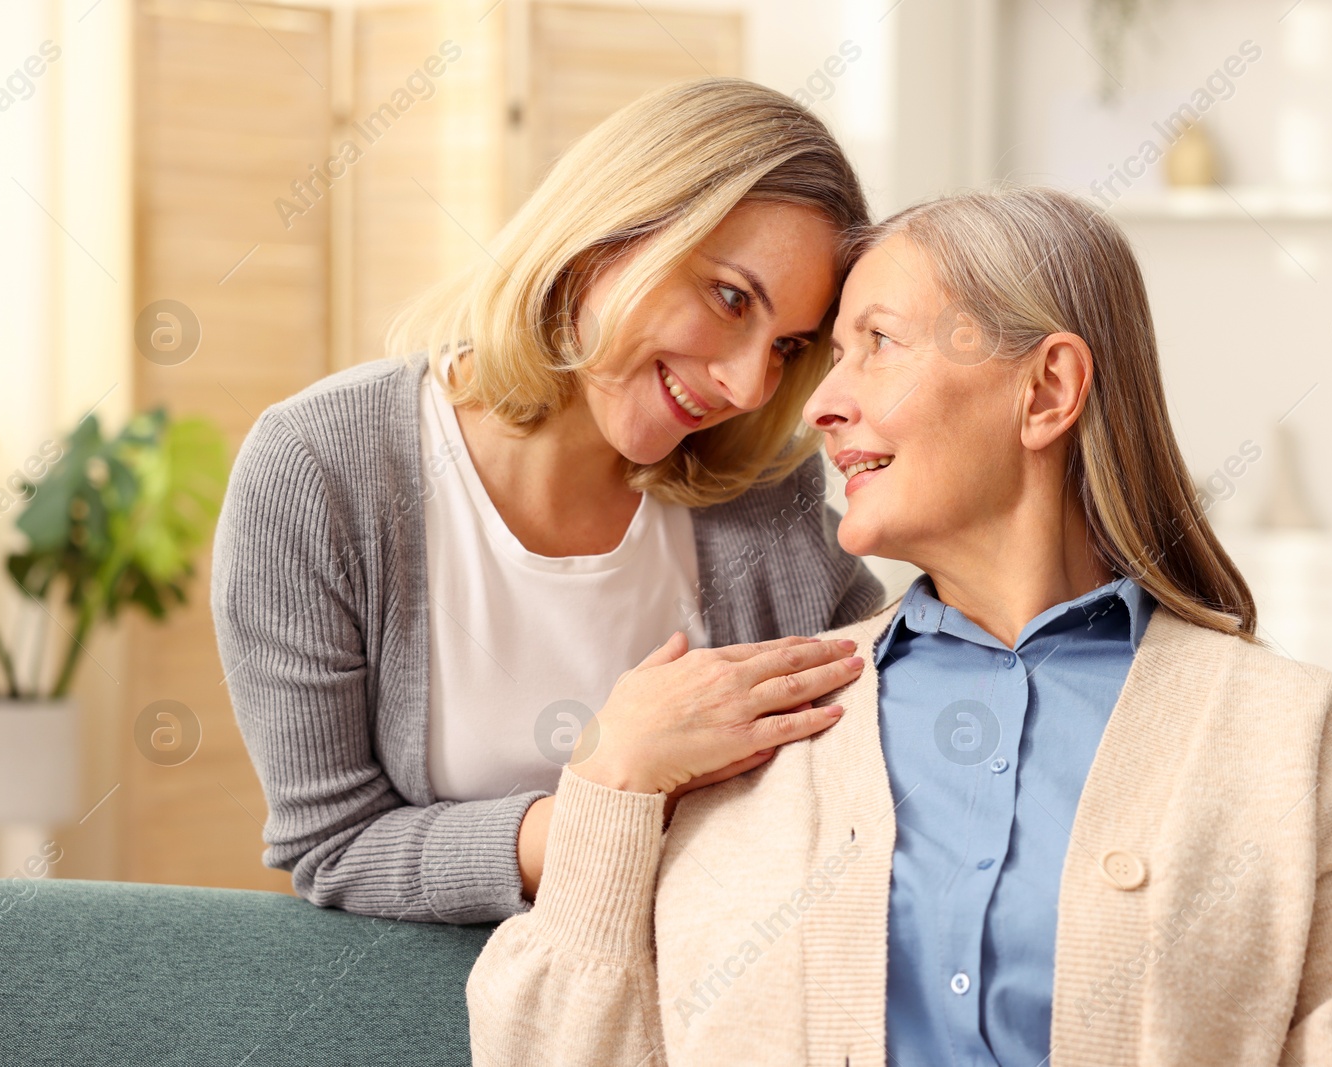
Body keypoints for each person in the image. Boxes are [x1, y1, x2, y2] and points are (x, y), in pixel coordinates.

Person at [466, 187, 1332, 1065]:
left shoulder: (1285, 735)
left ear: (1046, 390)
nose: (820, 404)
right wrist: (604, 785)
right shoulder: (748, 725)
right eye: (828, 357)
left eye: (877, 345)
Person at [209, 79, 882, 924]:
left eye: (787, 345)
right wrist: (613, 782)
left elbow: (875, 757)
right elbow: (335, 847)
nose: (749, 385)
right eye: (730, 297)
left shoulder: (764, 500)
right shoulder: (321, 470)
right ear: (608, 233)